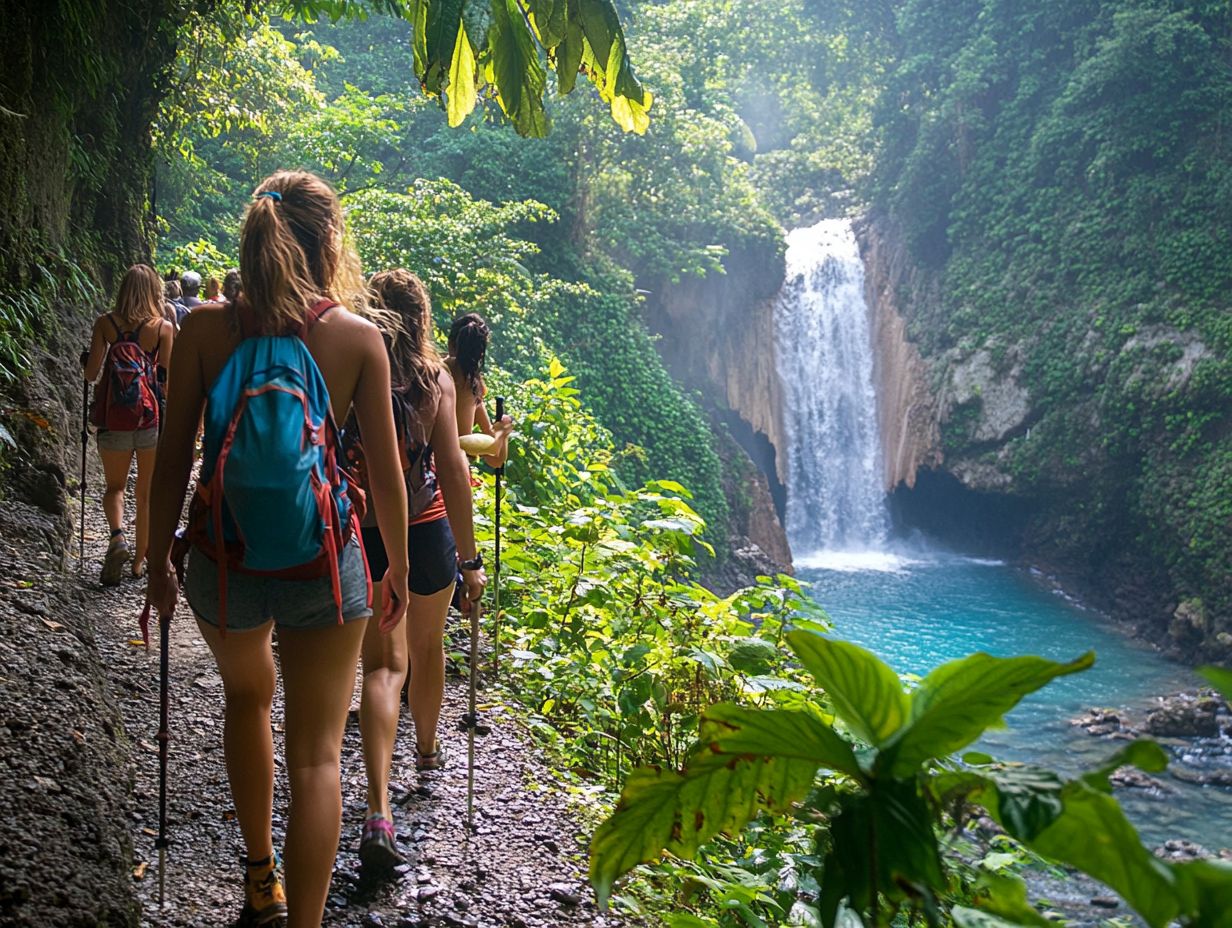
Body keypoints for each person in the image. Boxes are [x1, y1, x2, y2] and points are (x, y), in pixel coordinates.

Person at [144, 171, 410, 928]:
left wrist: (159, 565)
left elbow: (172, 461)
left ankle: (261, 880)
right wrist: (389, 570)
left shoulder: (201, 328)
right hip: (323, 568)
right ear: (329, 244)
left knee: (246, 698)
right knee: (318, 755)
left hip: (222, 565)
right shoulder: (357, 338)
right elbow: (386, 480)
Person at [347, 270, 485, 872]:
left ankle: (377, 801)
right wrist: (470, 560)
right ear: (424, 319)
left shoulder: (352, 369)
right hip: (427, 531)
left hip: (365, 532)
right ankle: (426, 753)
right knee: (429, 648)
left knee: (379, 665)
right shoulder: (437, 381)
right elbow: (453, 469)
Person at [83, 263, 175, 585]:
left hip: (114, 420)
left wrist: (88, 359)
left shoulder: (105, 324)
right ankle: (138, 564)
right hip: (148, 420)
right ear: (154, 291)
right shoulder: (163, 328)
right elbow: (165, 382)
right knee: (146, 494)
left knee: (115, 488)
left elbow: (91, 374)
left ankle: (117, 536)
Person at [444, 312, 513, 468]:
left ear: (450, 344)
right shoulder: (473, 384)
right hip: (452, 475)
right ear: (480, 353)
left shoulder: (429, 371)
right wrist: (503, 432)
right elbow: (495, 458)